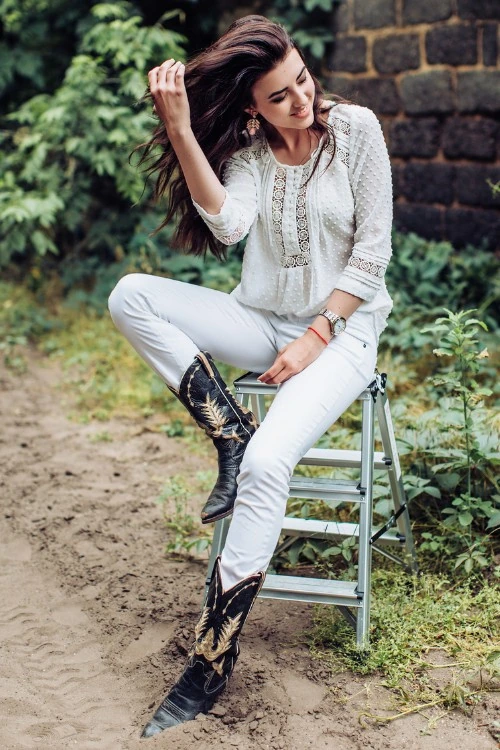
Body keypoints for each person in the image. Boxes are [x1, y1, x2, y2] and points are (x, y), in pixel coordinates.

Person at [108, 14, 393, 738]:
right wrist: (178, 127)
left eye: (302, 79)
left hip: (344, 331)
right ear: (251, 108)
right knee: (130, 295)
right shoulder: (247, 154)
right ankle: (227, 431)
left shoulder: (356, 131)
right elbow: (230, 227)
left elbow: (372, 254)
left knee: (270, 464)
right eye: (281, 95)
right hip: (259, 317)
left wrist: (318, 337)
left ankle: (212, 657)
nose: (303, 99)